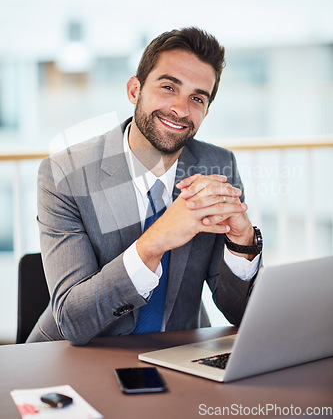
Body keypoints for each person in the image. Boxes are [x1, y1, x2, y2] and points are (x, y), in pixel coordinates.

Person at [27, 27, 263, 346]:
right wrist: (155, 242)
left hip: (179, 353)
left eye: (197, 98)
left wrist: (242, 243)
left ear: (206, 111)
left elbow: (239, 312)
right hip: (75, 356)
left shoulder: (218, 166)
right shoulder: (65, 174)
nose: (180, 109)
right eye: (168, 87)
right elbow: (73, 320)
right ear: (134, 90)